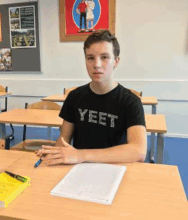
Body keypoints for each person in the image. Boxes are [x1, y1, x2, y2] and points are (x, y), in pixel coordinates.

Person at [36, 30, 147, 165]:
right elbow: (63, 140)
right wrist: (55, 153)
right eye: (90, 58)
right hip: (78, 168)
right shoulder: (74, 97)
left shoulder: (131, 102)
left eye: (104, 57)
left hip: (115, 168)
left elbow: (138, 151)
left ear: (116, 61)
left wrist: (82, 155)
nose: (97, 64)